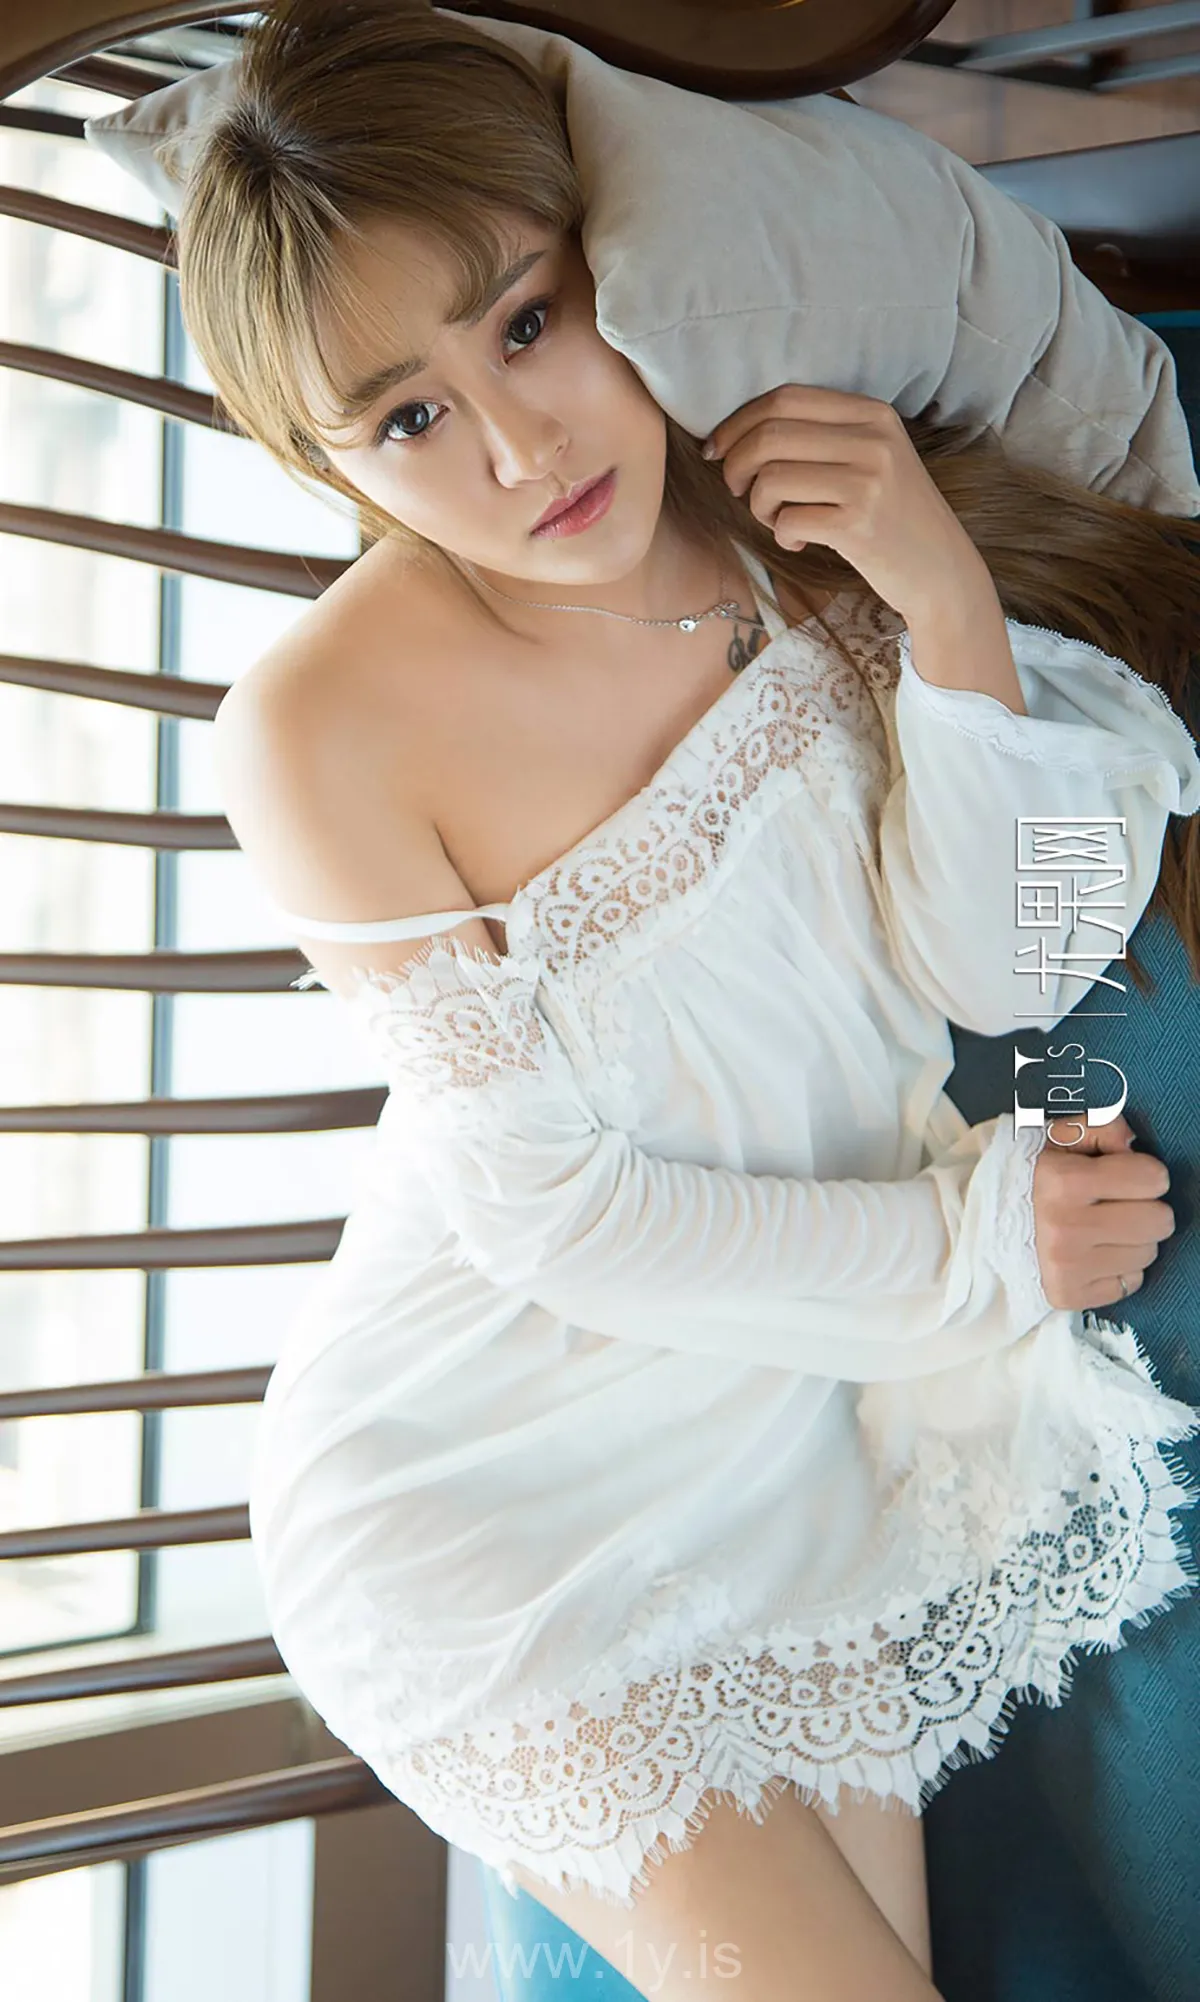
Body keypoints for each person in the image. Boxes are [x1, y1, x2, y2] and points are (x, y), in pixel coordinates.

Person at [177, 1, 1200, 1995]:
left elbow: (1004, 957)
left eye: (528, 322)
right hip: (480, 1487)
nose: (519, 449)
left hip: (785, 1465)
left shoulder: (779, 507)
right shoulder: (318, 723)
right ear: (328, 463)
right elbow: (546, 1212)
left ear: (609, 264)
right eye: (406, 421)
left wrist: (940, 590)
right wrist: (976, 1247)